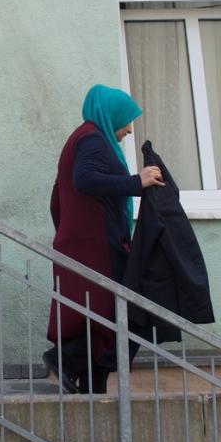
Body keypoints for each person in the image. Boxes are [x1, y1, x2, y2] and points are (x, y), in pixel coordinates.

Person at [44, 84, 164, 394]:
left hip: (86, 241)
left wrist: (68, 231)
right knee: (116, 315)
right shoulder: (92, 140)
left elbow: (58, 196)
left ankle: (92, 390)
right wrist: (138, 181)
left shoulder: (84, 139)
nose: (129, 129)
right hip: (95, 245)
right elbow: (84, 180)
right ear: (112, 115)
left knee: (99, 318)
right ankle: (65, 360)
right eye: (127, 120)